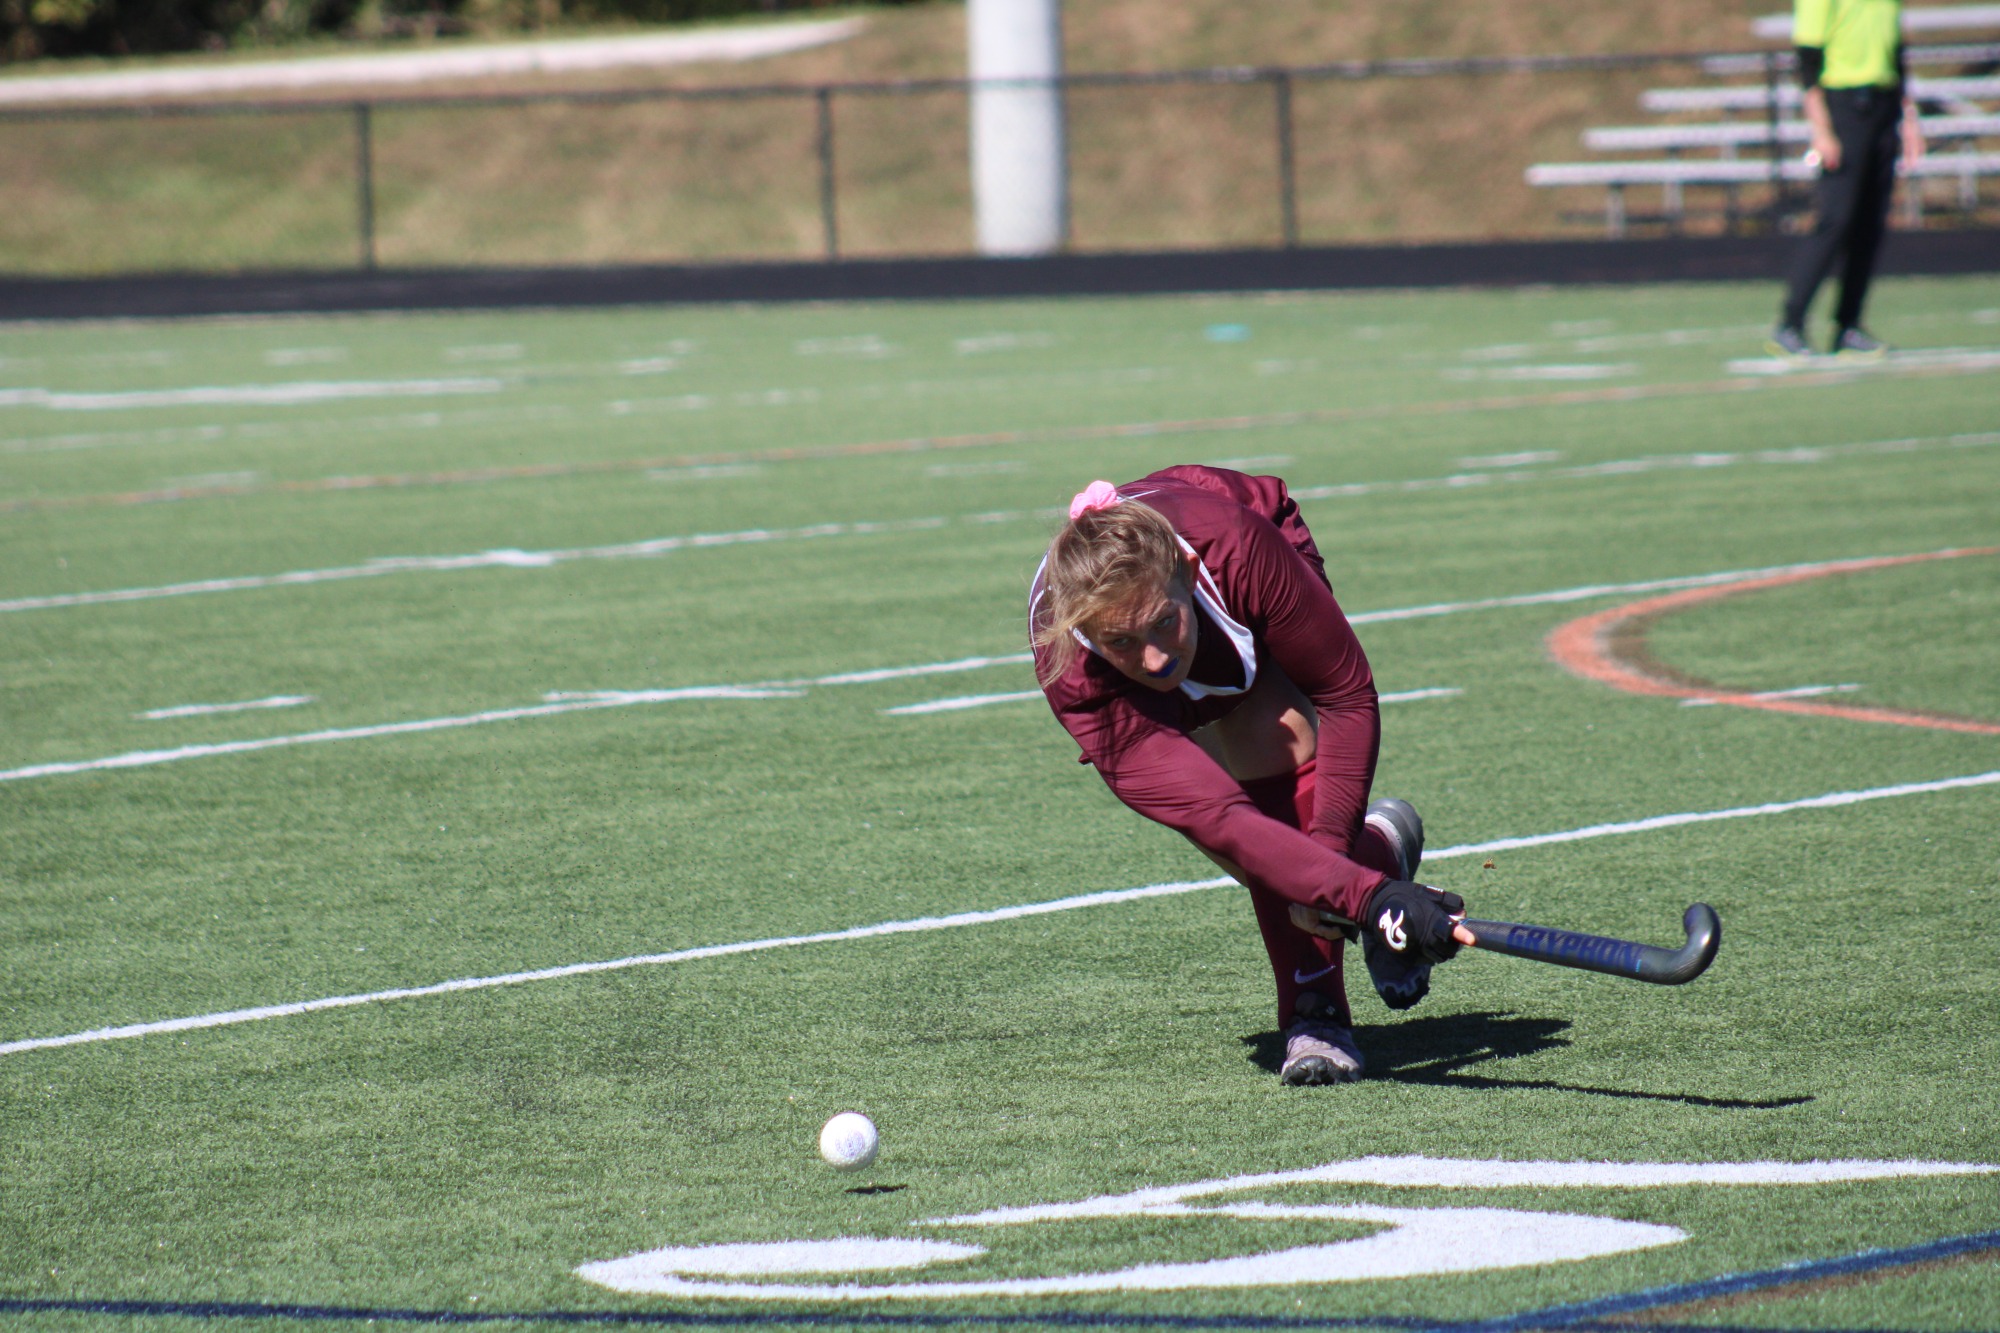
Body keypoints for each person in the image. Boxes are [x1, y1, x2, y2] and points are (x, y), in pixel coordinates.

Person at [1028, 466, 1472, 1085]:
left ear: (1186, 574)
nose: (1154, 659)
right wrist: (1369, 895)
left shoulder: (1235, 550)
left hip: (1255, 547)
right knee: (1255, 849)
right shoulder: (1072, 669)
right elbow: (1220, 817)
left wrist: (1338, 878)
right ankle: (1381, 855)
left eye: (1163, 622)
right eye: (1121, 642)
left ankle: (1315, 1015)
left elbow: (1345, 695)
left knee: (1272, 735)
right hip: (1141, 661)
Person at [1769, 0, 1926, 358]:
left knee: (1870, 223)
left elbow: (1896, 51)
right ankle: (1790, 323)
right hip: (1843, 105)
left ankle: (1848, 325)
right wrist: (1821, 128)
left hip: (1884, 102)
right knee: (1836, 218)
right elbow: (1808, 59)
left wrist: (1908, 115)